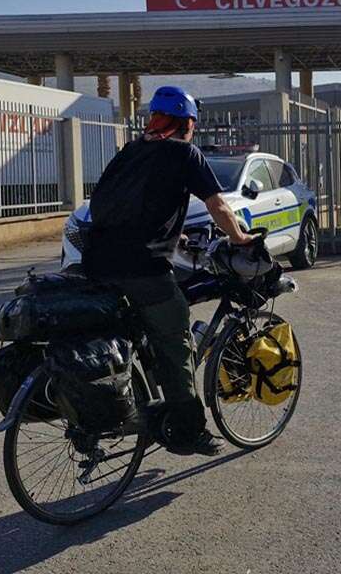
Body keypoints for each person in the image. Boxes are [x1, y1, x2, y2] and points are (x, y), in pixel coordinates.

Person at [83, 85, 253, 457]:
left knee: (144, 328)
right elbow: (218, 206)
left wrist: (174, 240)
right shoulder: (184, 153)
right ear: (187, 123)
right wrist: (240, 238)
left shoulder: (130, 151)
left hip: (96, 261)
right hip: (142, 267)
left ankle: (140, 395)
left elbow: (106, 204)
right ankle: (190, 430)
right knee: (175, 338)